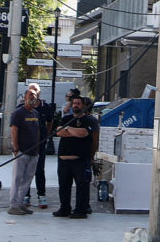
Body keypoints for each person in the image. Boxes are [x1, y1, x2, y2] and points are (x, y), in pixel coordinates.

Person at [51, 91, 100, 218]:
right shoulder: (66, 118)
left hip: (80, 159)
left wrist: (67, 129)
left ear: (84, 105)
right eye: (74, 103)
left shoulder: (89, 120)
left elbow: (84, 133)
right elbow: (58, 132)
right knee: (64, 186)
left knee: (82, 186)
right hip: (63, 160)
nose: (75, 105)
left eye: (78, 103)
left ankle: (81, 210)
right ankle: (64, 208)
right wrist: (72, 131)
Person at [7, 83, 48, 216]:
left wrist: (38, 148)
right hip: (22, 152)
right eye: (30, 94)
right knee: (17, 178)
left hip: (34, 152)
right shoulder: (18, 113)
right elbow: (14, 131)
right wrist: (16, 148)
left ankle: (20, 204)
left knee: (28, 179)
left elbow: (37, 131)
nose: (33, 97)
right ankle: (13, 206)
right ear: (25, 97)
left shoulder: (35, 113)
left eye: (35, 95)